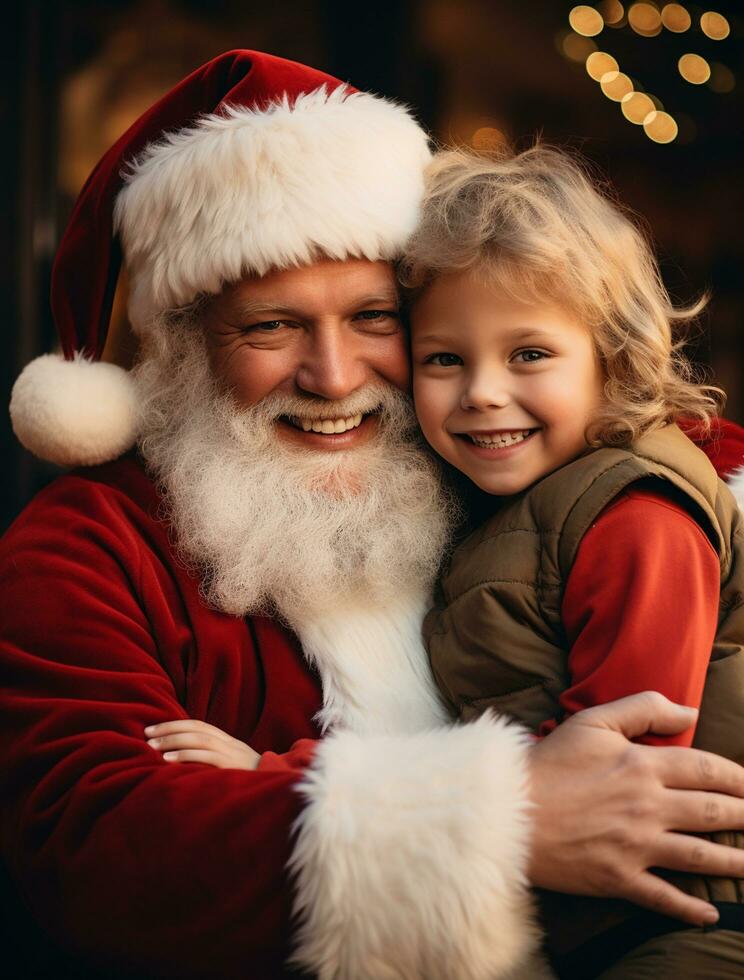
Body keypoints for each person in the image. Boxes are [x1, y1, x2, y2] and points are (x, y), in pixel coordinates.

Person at [3, 50, 744, 980]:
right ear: (185, 347)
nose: (335, 378)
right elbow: (91, 849)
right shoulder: (86, 546)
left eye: (375, 318)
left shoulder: (501, 473)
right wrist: (498, 823)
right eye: (270, 326)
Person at [402, 144, 744, 977]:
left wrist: (299, 783)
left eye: (529, 354)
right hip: (584, 920)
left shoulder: (638, 513)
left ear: (613, 356)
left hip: (678, 922)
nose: (482, 390)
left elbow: (622, 763)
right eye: (444, 358)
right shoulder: (505, 508)